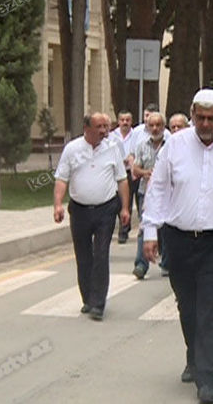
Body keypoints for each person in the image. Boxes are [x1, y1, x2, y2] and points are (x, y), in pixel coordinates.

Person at [142, 89, 213, 404]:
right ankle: (193, 356)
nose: (205, 124)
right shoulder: (174, 146)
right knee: (188, 305)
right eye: (200, 117)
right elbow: (158, 189)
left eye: (212, 118)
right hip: (179, 240)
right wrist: (150, 232)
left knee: (212, 308)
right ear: (192, 114)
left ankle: (207, 375)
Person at [53, 113, 130, 321]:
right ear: (87, 129)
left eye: (106, 126)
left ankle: (98, 303)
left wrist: (125, 208)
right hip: (79, 210)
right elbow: (62, 178)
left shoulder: (112, 148)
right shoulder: (72, 149)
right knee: (83, 255)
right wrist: (58, 204)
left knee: (101, 254)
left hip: (106, 209)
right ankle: (87, 297)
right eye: (99, 127)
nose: (104, 131)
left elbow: (122, 179)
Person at [132, 112, 168, 279]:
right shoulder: (142, 145)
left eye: (158, 125)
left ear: (163, 127)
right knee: (144, 227)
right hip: (145, 192)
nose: (155, 128)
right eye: (151, 125)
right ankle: (141, 264)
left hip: (166, 194)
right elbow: (135, 169)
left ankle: (167, 262)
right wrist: (146, 172)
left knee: (166, 229)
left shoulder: (170, 144)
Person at [110, 110, 136, 243]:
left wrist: (131, 159)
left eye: (127, 120)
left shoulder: (136, 135)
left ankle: (123, 231)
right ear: (118, 121)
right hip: (114, 173)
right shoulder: (112, 136)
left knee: (127, 201)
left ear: (131, 121)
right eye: (122, 120)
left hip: (129, 172)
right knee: (116, 201)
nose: (125, 122)